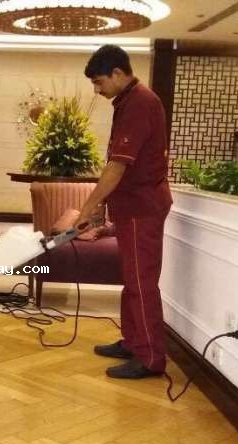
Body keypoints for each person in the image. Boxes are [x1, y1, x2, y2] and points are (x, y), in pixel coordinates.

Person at [73, 45, 173, 380]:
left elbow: (117, 166)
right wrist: (103, 205)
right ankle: (133, 342)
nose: (96, 90)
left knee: (141, 282)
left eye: (99, 82)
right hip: (132, 206)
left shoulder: (141, 103)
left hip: (143, 208)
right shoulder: (129, 101)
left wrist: (86, 208)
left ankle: (150, 358)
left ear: (117, 73)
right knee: (132, 279)